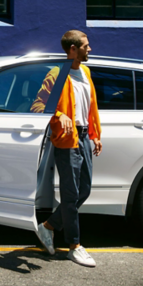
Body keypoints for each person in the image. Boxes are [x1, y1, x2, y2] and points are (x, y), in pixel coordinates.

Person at [31, 30, 102, 267]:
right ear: (73, 49)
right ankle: (74, 246)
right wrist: (58, 115)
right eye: (86, 46)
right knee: (71, 195)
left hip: (83, 138)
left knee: (84, 190)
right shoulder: (57, 73)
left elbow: (90, 106)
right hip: (66, 140)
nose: (89, 49)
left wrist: (95, 135)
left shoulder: (85, 71)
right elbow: (38, 105)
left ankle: (48, 226)